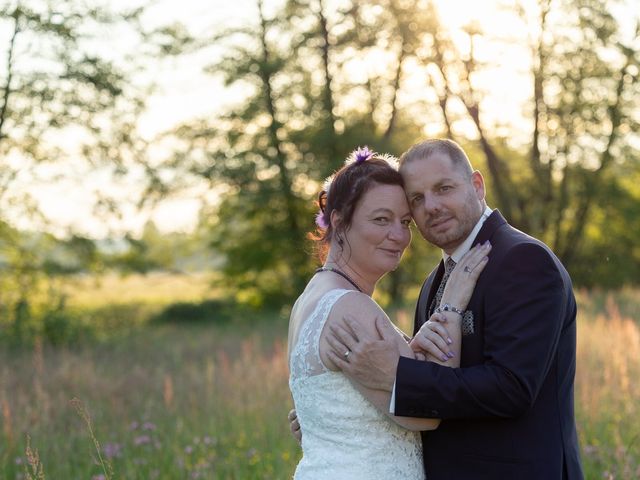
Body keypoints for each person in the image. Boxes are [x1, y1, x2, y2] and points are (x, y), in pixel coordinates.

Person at [322, 139, 584, 479]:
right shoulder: (433, 281)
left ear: (477, 185)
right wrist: (341, 414)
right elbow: (432, 390)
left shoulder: (523, 260)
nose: (431, 206)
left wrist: (397, 375)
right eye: (417, 198)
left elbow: (511, 388)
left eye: (443, 188)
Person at [287, 146, 491, 479]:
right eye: (381, 219)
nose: (398, 236)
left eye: (405, 222)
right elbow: (424, 415)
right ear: (338, 221)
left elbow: (347, 399)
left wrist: (413, 349)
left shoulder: (311, 298)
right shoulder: (350, 306)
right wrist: (450, 308)